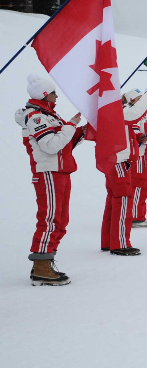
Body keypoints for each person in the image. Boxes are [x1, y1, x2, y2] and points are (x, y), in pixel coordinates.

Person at [16, 74, 86, 285]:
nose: (57, 96)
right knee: (50, 219)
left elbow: (65, 142)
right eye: (54, 93)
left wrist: (83, 130)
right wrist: (71, 126)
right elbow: (50, 145)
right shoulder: (36, 117)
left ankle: (46, 261)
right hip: (48, 173)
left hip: (61, 171)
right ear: (45, 94)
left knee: (60, 221)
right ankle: (41, 266)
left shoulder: (50, 115)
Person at [102, 85, 147, 256]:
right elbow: (135, 114)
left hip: (115, 161)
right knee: (122, 201)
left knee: (113, 202)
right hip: (119, 162)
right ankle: (120, 243)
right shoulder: (117, 111)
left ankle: (108, 241)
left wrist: (137, 138)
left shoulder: (111, 111)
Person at [127, 89, 147, 229]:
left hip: (142, 154)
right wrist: (144, 137)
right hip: (137, 155)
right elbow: (134, 132)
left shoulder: (141, 116)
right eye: (139, 99)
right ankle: (135, 216)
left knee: (143, 185)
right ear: (132, 101)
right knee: (139, 185)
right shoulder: (132, 115)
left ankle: (139, 215)